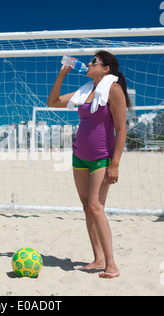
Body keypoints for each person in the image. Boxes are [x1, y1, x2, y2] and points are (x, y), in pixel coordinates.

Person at [47, 51, 131, 279]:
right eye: (91, 60)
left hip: (102, 158)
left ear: (106, 69)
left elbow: (121, 129)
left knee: (96, 207)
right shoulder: (84, 92)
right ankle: (98, 259)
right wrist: (62, 74)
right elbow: (52, 102)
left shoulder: (113, 90)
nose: (89, 63)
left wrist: (115, 164)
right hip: (79, 157)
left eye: (95, 61)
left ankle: (111, 264)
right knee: (87, 207)